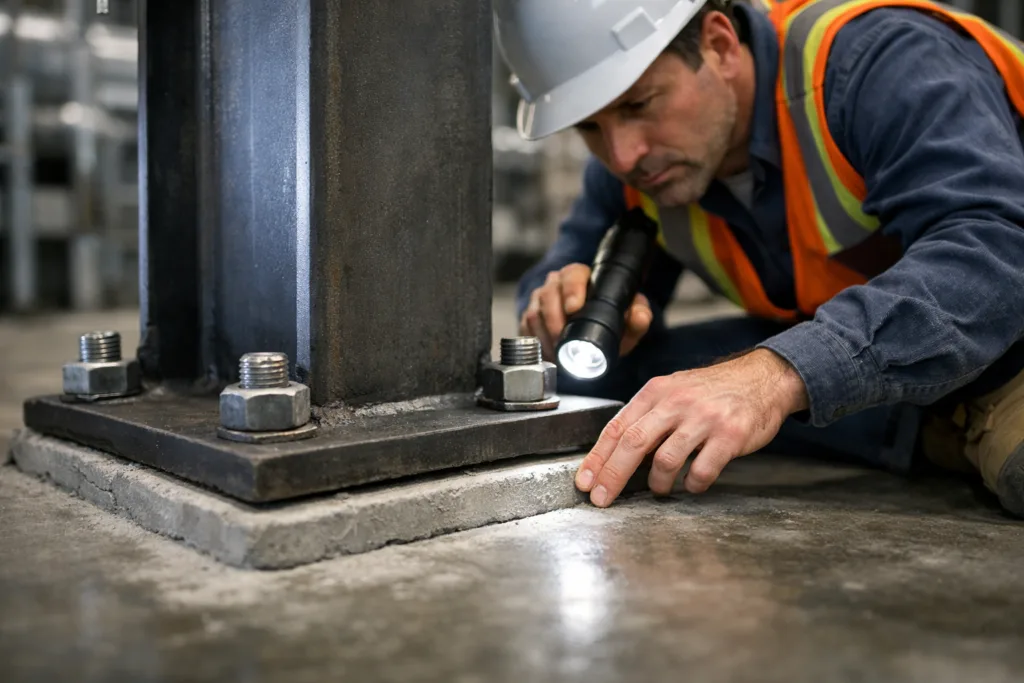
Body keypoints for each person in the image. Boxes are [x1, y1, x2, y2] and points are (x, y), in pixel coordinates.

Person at [493, 0, 1024, 514]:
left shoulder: (881, 64)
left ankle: (956, 418)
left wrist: (773, 377)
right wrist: (559, 307)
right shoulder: (638, 165)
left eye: (639, 104)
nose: (622, 154)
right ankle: (936, 425)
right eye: (589, 126)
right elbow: (561, 276)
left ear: (720, 46)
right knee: (622, 385)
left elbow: (996, 249)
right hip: (901, 354)